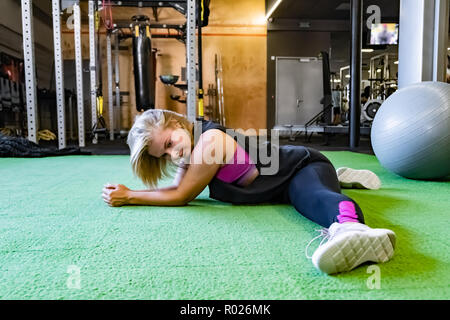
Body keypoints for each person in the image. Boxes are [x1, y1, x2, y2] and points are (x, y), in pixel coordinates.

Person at [102, 109, 396, 275]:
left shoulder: (210, 141)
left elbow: (181, 196)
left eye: (168, 144)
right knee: (307, 191)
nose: (172, 154)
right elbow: (178, 188)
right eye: (164, 156)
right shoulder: (190, 151)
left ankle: (352, 228)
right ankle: (340, 176)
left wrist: (130, 196)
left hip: (300, 167)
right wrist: (133, 192)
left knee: (313, 197)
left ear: (178, 124)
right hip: (279, 184)